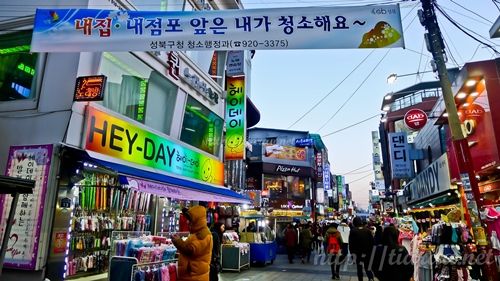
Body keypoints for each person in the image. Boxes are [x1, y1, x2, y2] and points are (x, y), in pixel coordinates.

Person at [172, 206, 213, 281]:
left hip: (194, 276)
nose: (188, 222)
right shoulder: (197, 233)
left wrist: (178, 241)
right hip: (192, 275)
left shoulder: (203, 235)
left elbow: (191, 250)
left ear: (197, 220)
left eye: (190, 220)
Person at [349, 217, 375, 281]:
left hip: (357, 253)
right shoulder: (367, 230)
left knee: (359, 268)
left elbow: (351, 244)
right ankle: (371, 278)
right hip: (367, 252)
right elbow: (372, 242)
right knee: (367, 267)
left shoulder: (353, 231)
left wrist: (352, 254)